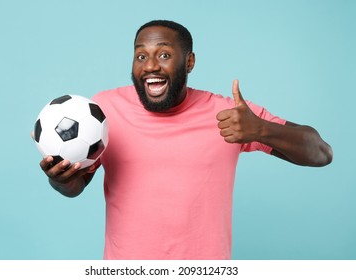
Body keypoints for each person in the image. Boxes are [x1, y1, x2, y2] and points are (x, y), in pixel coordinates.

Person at [37, 20, 333, 259]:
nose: (151, 65)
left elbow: (321, 153)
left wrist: (262, 130)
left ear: (189, 62)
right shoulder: (104, 111)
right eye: (141, 55)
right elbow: (76, 186)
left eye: (164, 54)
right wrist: (61, 180)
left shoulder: (228, 113)